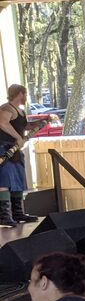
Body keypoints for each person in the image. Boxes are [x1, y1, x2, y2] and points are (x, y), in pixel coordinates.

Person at [0, 84, 45, 227]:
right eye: (25, 94)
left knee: (18, 181)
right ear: (20, 93)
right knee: (5, 181)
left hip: (15, 151)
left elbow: (23, 126)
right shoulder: (6, 109)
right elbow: (2, 123)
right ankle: (4, 216)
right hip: (5, 148)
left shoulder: (20, 111)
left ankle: (18, 213)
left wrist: (40, 122)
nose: (26, 97)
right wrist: (18, 138)